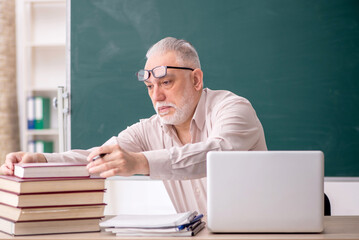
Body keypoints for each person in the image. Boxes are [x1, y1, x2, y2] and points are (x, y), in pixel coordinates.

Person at [1, 37, 267, 216]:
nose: (156, 96)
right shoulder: (148, 129)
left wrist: (140, 163)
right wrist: (40, 160)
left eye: (166, 83)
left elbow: (215, 155)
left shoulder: (233, 109)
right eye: (150, 87)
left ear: (196, 80)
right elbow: (98, 157)